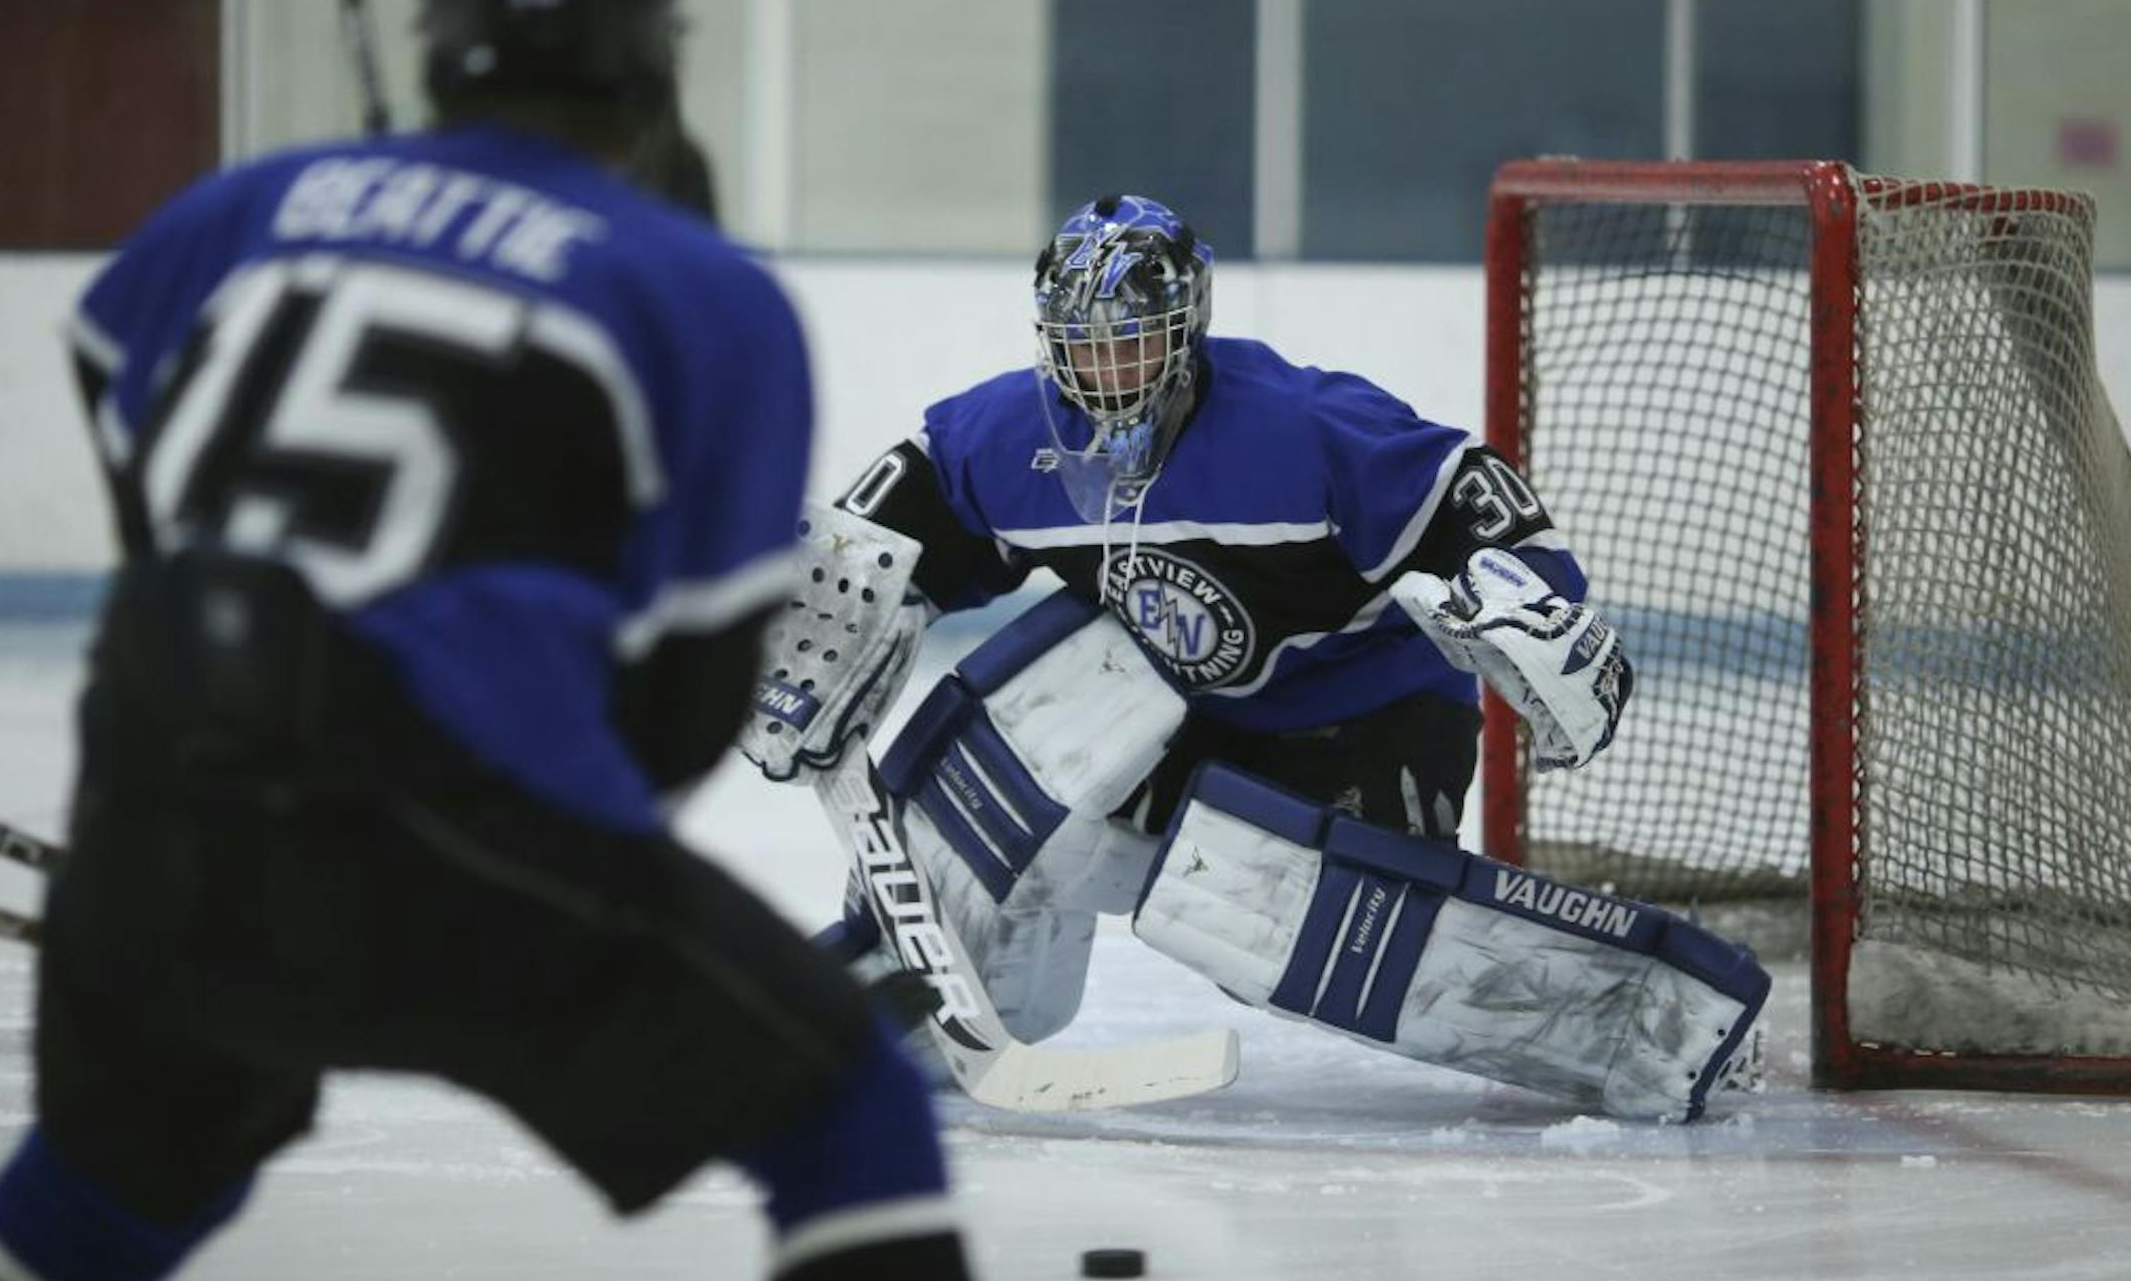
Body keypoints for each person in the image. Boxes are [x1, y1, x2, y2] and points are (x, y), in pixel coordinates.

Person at [0, 0, 978, 1281]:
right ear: (653, 55)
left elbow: (110, 369)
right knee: (848, 1114)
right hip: (457, 811)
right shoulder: (703, 292)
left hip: (156, 793)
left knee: (118, 1180)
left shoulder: (241, 210)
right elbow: (683, 703)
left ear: (444, 41)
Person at [744, 193, 1767, 1123]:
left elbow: (1468, 488)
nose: (1106, 376)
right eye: (1081, 348)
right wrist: (807, 629)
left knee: (1241, 905)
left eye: (1132, 346)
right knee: (1038, 712)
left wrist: (1535, 600)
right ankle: (917, 996)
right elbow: (892, 522)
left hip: (1368, 717)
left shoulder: (1299, 425)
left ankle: (1649, 1020)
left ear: (1187, 332)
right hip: (1189, 715)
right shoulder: (1009, 435)